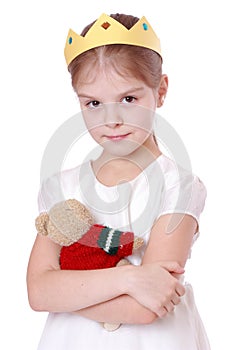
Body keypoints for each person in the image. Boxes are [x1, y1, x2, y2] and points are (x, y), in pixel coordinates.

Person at [27, 12, 211, 350]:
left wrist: (65, 293)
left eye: (129, 99)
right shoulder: (60, 188)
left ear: (161, 90)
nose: (111, 120)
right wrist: (129, 277)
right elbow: (38, 293)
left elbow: (145, 308)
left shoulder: (178, 187)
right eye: (94, 103)